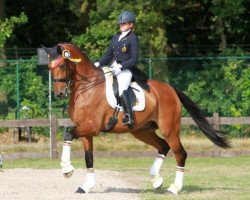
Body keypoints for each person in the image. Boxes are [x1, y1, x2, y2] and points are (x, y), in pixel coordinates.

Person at [94, 11, 141, 129]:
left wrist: (121, 66)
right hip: (112, 69)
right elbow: (108, 56)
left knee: (121, 90)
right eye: (120, 23)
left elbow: (134, 59)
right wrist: (98, 63)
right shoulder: (116, 37)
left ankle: (129, 117)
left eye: (124, 23)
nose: (121, 25)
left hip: (125, 70)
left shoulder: (133, 38)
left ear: (131, 24)